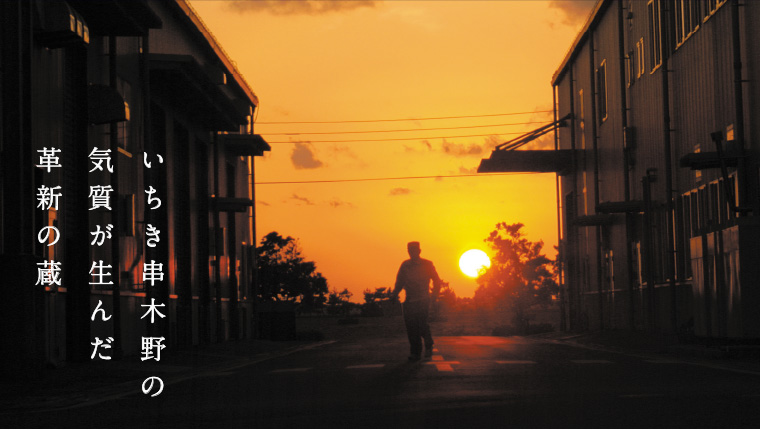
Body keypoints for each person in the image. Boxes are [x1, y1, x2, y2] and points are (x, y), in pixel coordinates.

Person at [390, 241, 442, 361]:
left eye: (414, 250)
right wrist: (394, 294)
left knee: (421, 324)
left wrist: (434, 296)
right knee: (411, 327)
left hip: (423, 299)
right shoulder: (405, 265)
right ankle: (415, 352)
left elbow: (436, 280)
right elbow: (400, 282)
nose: (411, 252)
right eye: (409, 250)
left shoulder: (427, 264)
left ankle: (428, 343)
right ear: (408, 251)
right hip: (409, 300)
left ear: (419, 251)